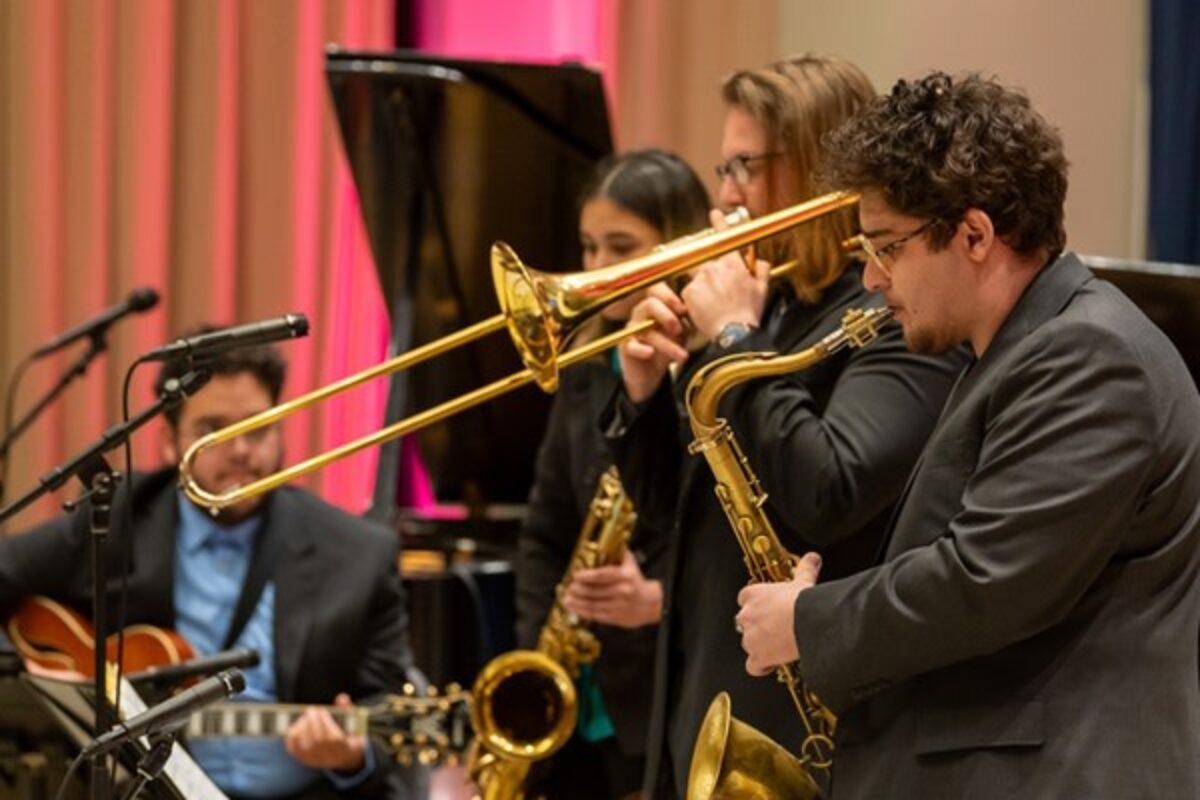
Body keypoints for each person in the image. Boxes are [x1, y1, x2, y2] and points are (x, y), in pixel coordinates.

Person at [735, 72, 1200, 798]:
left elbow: (986, 579)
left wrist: (808, 621)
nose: (871, 279)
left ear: (975, 235)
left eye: (886, 247)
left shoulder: (1089, 353)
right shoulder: (1031, 346)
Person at [594, 55, 968, 797]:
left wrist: (736, 338)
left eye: (745, 167)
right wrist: (642, 392)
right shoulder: (772, 307)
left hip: (806, 734)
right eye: (723, 168)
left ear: (819, 170)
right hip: (701, 703)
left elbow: (828, 488)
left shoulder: (891, 319)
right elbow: (672, 516)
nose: (726, 196)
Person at [0, 334, 423, 800]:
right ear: (170, 442)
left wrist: (354, 756)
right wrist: (36, 681)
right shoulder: (118, 516)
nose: (240, 449)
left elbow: (392, 705)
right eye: (212, 430)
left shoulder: (358, 554)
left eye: (258, 428)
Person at [515, 149, 710, 799]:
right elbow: (545, 530)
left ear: (678, 245)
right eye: (589, 246)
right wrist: (538, 665)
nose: (596, 268)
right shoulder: (583, 368)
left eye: (620, 247)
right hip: (578, 700)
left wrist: (657, 601)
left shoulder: (714, 367)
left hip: (667, 693)